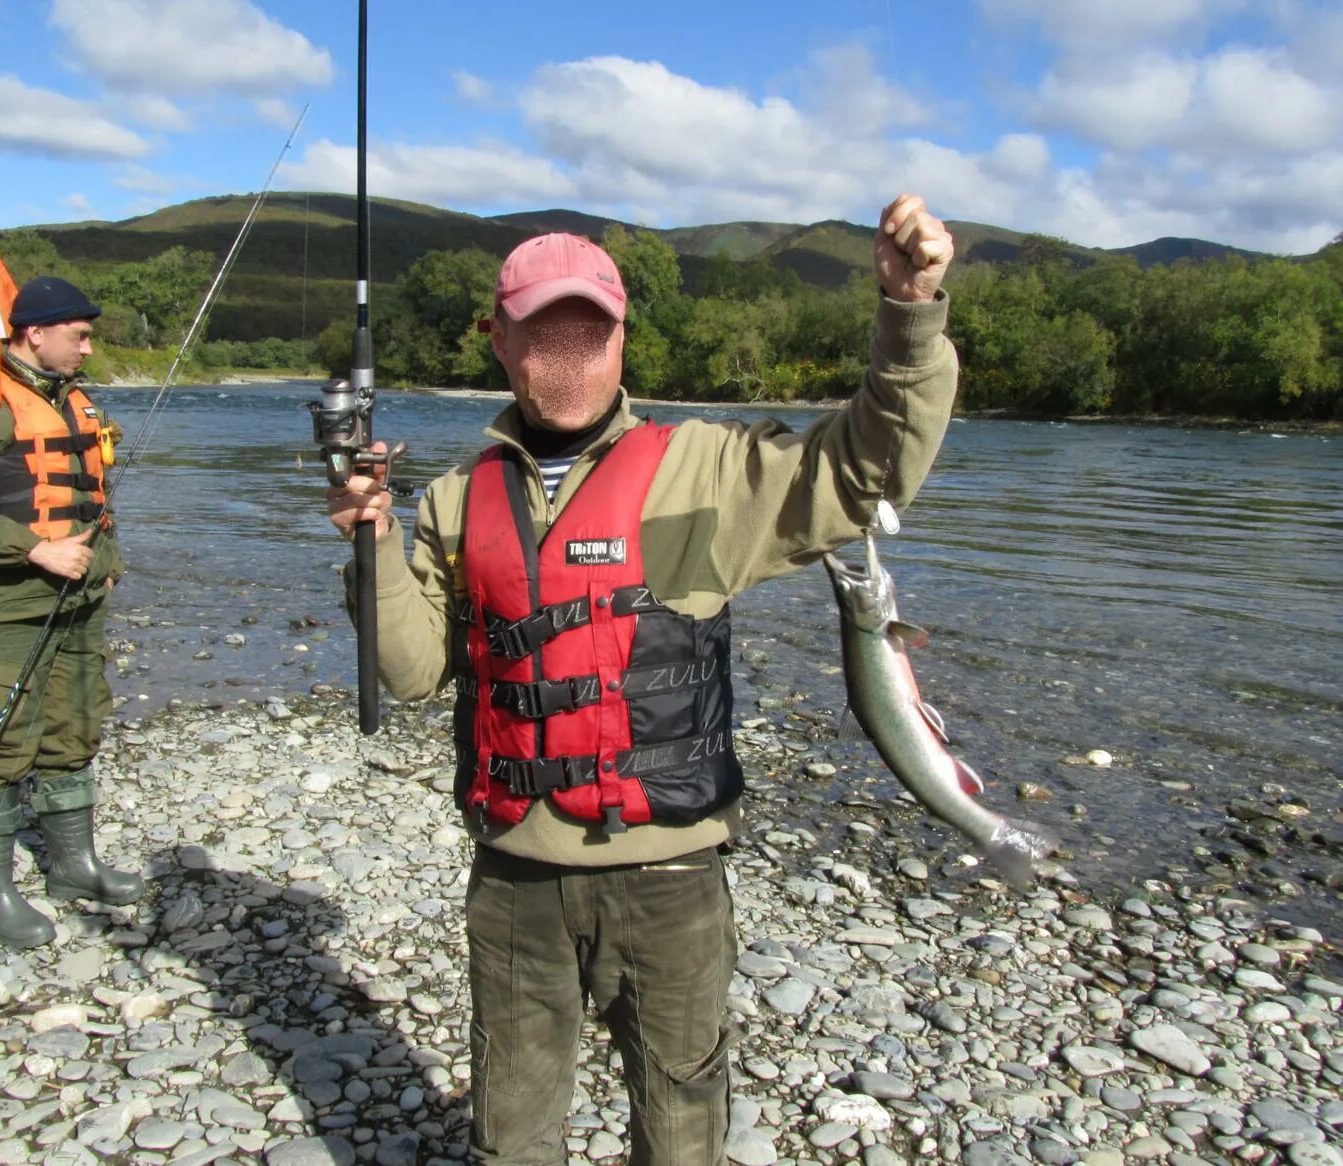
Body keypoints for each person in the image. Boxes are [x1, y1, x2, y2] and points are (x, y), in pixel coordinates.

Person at [326, 194, 958, 1165]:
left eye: (592, 330)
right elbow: (411, 671)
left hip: (669, 880)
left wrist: (909, 311)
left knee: (680, 1126)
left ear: (624, 338)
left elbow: (863, 471)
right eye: (545, 332)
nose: (570, 354)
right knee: (511, 1131)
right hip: (515, 879)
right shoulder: (453, 501)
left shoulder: (704, 471)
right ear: (499, 340)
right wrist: (369, 538)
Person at [0, 275, 144, 949]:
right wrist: (35, 550)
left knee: (73, 729)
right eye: (78, 335)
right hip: (9, 606)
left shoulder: (76, 404)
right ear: (34, 333)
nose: (88, 347)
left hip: (80, 601)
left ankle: (73, 865)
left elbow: (93, 498)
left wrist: (105, 566)